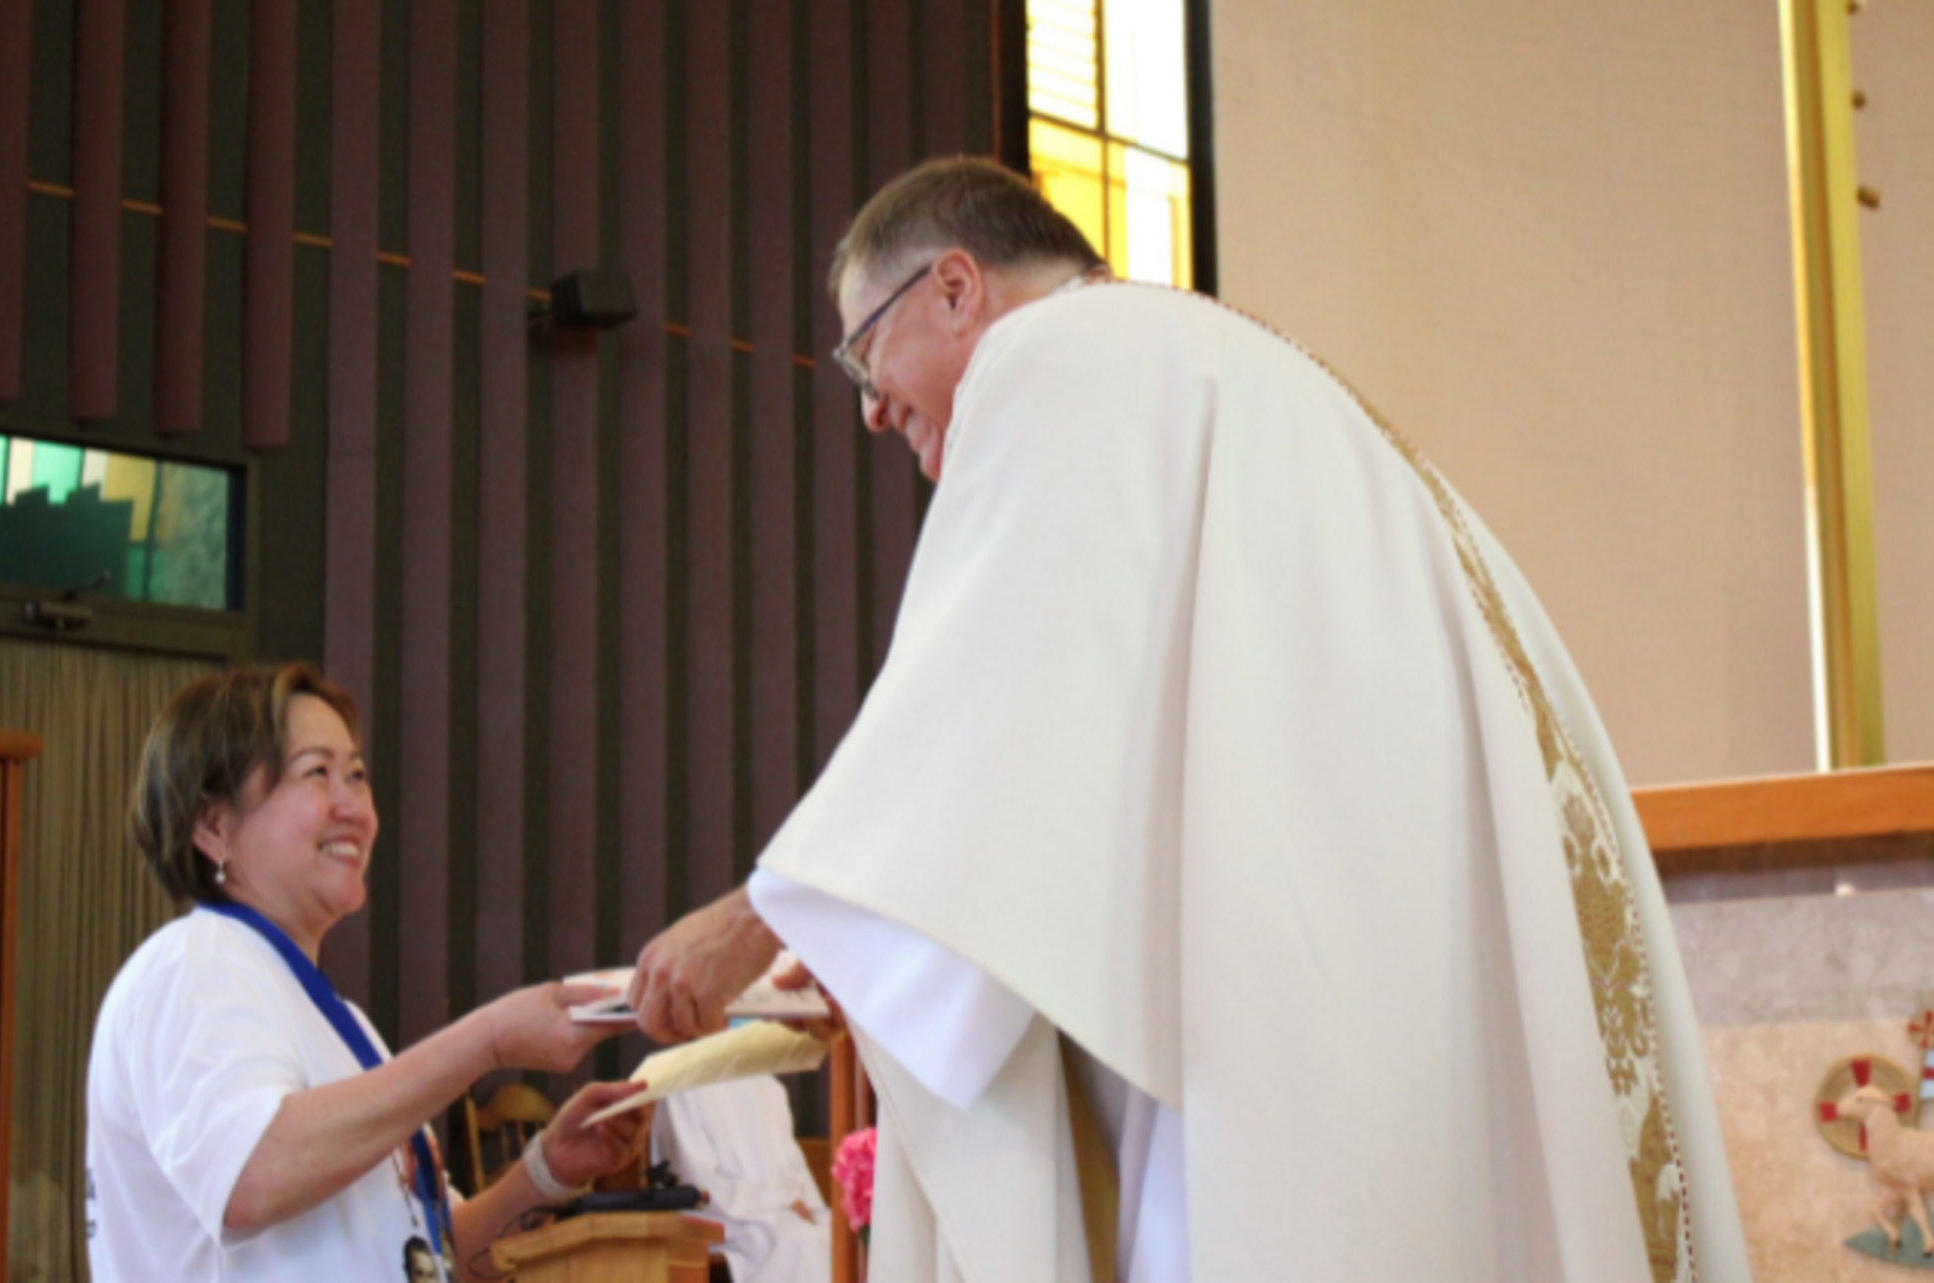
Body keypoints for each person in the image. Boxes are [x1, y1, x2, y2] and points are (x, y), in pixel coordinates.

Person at [623, 158, 1752, 1282]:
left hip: (1289, 992)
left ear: (956, 290)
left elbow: (978, 714)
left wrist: (762, 916)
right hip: (1376, 946)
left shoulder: (1054, 360)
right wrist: (898, 939)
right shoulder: (1197, 364)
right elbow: (1075, 764)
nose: (871, 409)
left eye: (867, 355)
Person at [86, 663, 645, 1281]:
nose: (355, 806)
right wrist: (486, 1041)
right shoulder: (195, 963)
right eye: (317, 773)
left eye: (357, 774)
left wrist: (548, 1169)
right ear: (214, 825)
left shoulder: (340, 1024)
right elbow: (250, 1174)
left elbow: (440, 1258)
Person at [648, 1073, 832, 1283]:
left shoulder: (770, 1088)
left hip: (777, 1216)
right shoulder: (683, 1088)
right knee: (799, 1241)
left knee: (840, 1235)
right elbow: (695, 1190)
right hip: (724, 1224)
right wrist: (782, 1204)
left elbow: (795, 1172)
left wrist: (806, 1209)